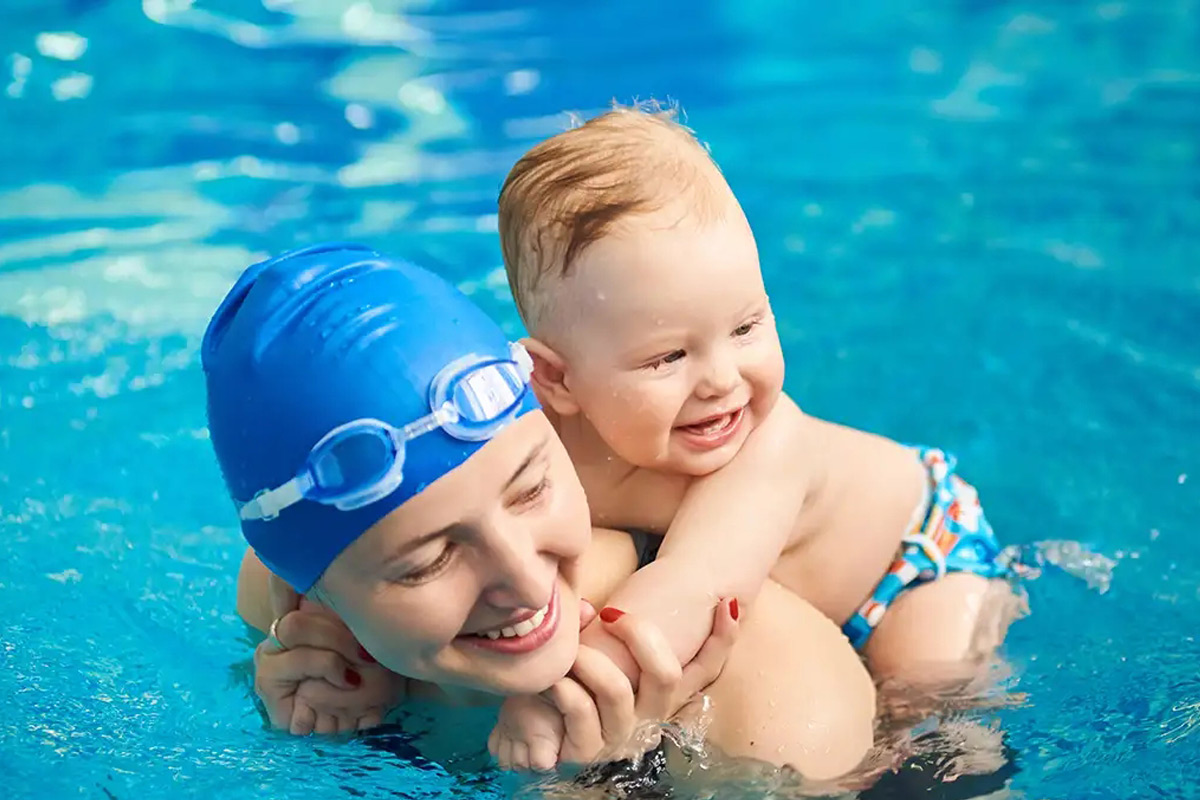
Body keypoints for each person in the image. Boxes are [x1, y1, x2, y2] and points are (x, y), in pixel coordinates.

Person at [204, 242, 876, 778]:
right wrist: (314, 728)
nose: (527, 583)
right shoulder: (289, 617)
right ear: (309, 587)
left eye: (531, 490)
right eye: (430, 561)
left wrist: (619, 779)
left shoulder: (773, 712)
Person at [489, 104, 1024, 759]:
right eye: (668, 357)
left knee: (934, 730)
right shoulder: (527, 430)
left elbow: (686, 592)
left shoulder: (769, 449)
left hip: (914, 562)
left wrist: (558, 703)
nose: (722, 379)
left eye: (745, 327)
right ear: (556, 380)